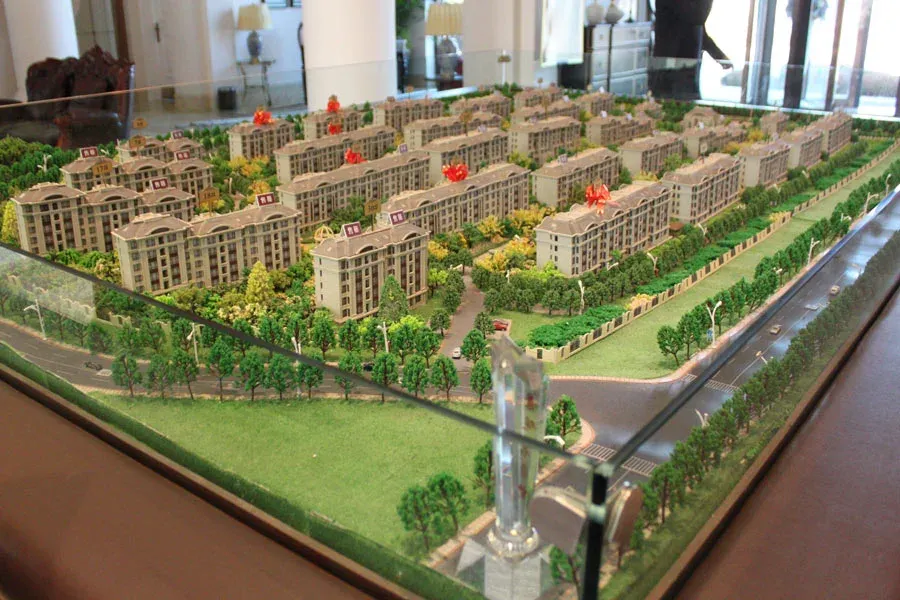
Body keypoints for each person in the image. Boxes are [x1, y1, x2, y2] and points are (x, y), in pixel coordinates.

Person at [649, 0, 731, 100]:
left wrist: (719, 56)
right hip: (670, 71)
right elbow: (698, 17)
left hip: (685, 71)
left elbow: (699, 31)